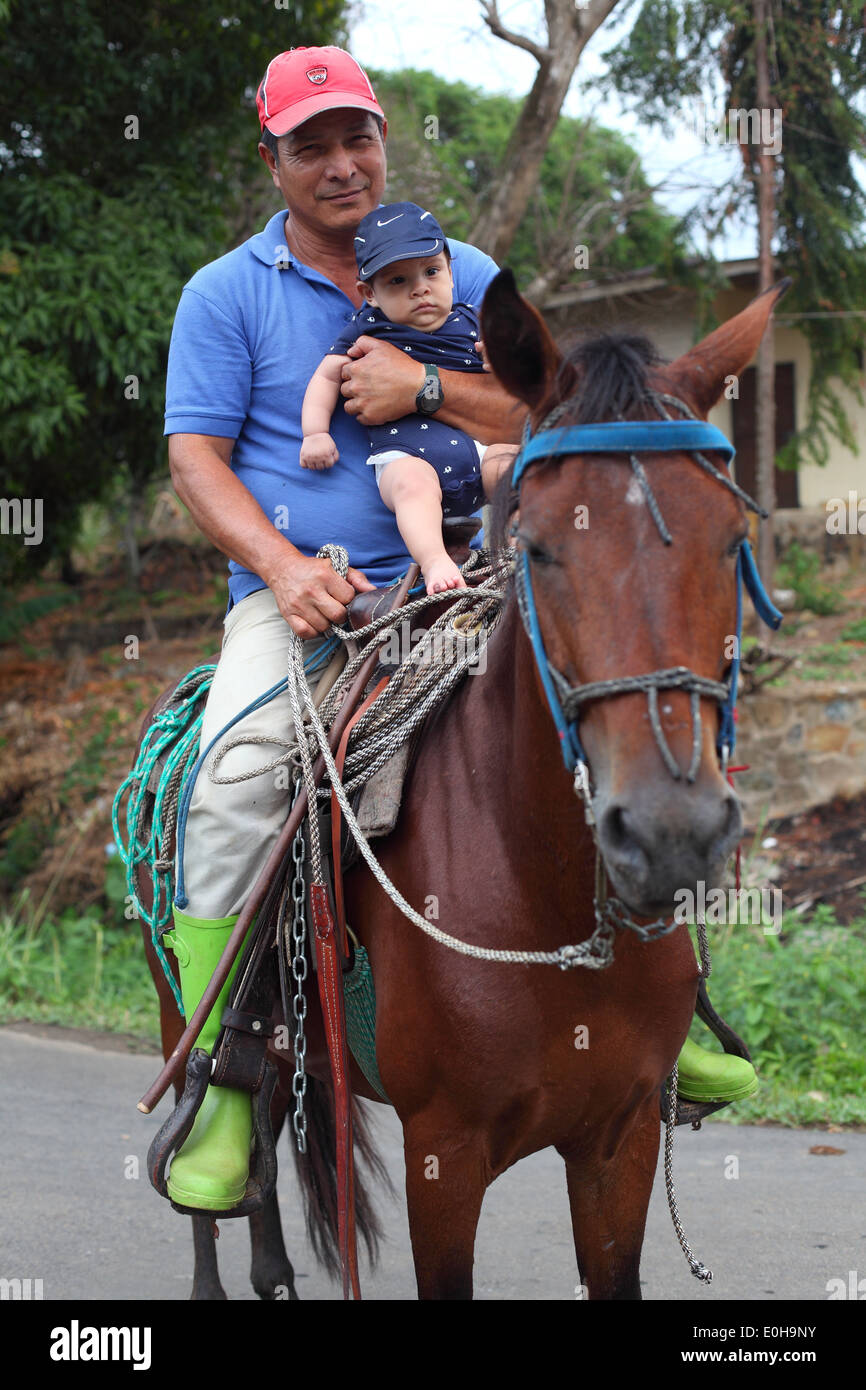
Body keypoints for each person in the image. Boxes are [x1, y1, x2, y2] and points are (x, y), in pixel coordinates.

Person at [160, 45, 757, 1215]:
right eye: (310, 146)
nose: (341, 164)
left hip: (474, 581)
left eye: (356, 138)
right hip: (312, 605)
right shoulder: (224, 293)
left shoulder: (461, 270)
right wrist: (281, 571)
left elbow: (551, 404)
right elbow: (194, 457)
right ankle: (228, 1070)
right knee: (233, 776)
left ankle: (664, 1007)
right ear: (272, 159)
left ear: (382, 139)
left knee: (628, 712)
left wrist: (422, 388)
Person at [301, 201, 514, 593]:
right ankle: (434, 562)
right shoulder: (369, 330)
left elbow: (515, 385)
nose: (420, 289)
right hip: (407, 453)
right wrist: (315, 431)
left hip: (475, 449)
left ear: (451, 272)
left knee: (509, 463)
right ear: (370, 293)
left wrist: (501, 359)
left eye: (432, 272)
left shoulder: (472, 321)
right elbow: (327, 375)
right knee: (411, 488)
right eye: (398, 281)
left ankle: (522, 539)